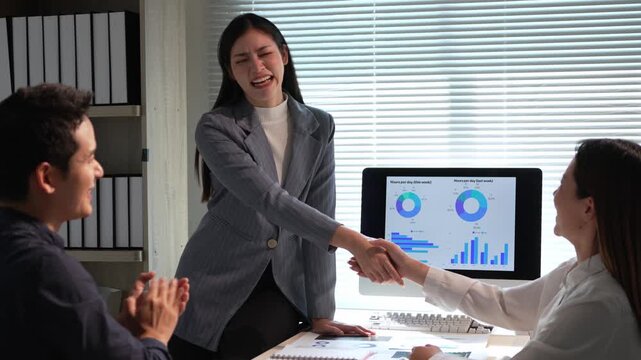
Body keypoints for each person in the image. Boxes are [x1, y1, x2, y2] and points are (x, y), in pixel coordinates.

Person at [170, 13, 400, 360]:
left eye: (265, 54)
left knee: (254, 343)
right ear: (231, 72)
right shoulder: (216, 127)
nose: (257, 67)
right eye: (242, 60)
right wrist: (356, 242)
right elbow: (268, 199)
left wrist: (322, 312)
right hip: (214, 278)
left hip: (283, 283)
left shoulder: (320, 125)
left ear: (284, 55)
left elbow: (320, 213)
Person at [350, 138, 641, 359]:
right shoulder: (579, 272)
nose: (554, 194)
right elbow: (504, 306)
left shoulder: (598, 304)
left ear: (588, 207)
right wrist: (410, 268)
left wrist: (433, 357)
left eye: (563, 183)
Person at [0, 83, 190, 359]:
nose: (99, 170)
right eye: (88, 158)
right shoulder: (49, 272)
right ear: (47, 178)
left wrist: (116, 332)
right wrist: (156, 332)